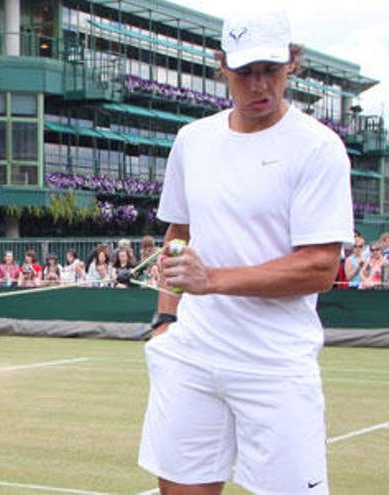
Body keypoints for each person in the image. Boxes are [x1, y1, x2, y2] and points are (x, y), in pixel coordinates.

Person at [139, 10, 353, 495]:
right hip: (191, 355)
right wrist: (165, 321)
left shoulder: (318, 148)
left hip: (274, 364)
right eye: (245, 72)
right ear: (222, 68)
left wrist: (212, 280)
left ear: (292, 65)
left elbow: (319, 267)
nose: (260, 85)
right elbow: (179, 234)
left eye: (271, 70)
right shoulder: (192, 141)